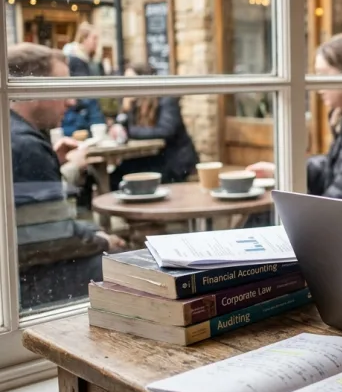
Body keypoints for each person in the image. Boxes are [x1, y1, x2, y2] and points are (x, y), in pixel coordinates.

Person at [247, 32, 342, 207]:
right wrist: (281, 171)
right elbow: (335, 168)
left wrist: (306, 216)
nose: (318, 87)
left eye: (323, 74)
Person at [8, 44, 125, 256]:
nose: (71, 101)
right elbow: (55, 237)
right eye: (62, 89)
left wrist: (56, 163)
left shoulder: (12, 133)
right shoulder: (26, 145)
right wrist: (105, 242)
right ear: (31, 91)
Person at [108, 63, 199, 185]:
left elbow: (166, 130)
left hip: (174, 160)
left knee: (120, 176)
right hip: (154, 157)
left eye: (130, 81)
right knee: (117, 173)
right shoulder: (136, 102)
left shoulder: (166, 99)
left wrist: (128, 131)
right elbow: (124, 127)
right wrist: (125, 110)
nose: (127, 85)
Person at [60, 23, 106, 137]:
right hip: (80, 112)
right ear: (84, 39)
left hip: (92, 109)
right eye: (94, 38)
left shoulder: (94, 60)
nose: (96, 42)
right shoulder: (74, 59)